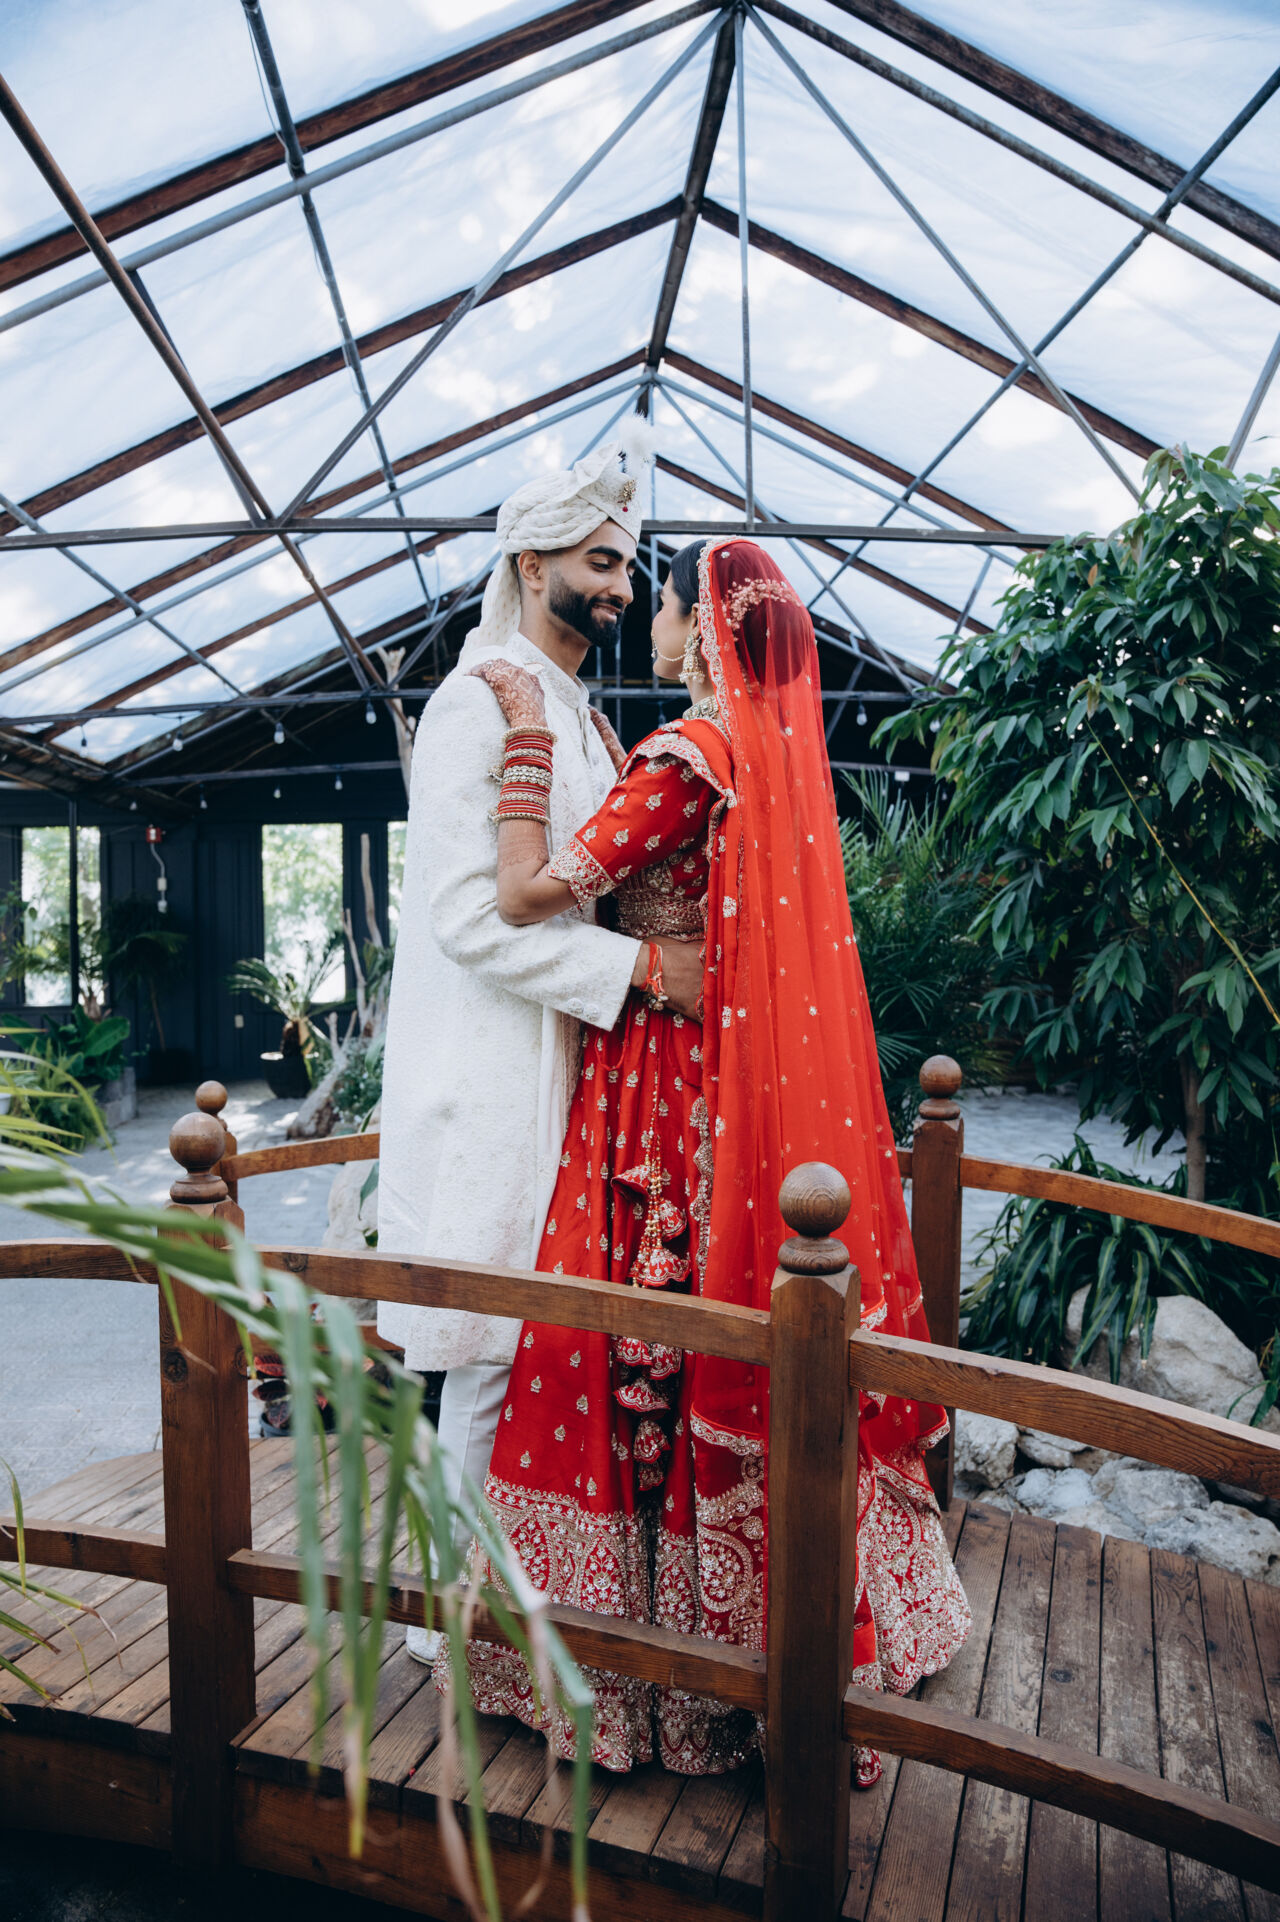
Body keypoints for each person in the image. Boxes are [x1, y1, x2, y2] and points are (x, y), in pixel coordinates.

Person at [460, 536, 971, 1781]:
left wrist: (524, 735)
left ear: (702, 626)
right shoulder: (765, 758)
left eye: (663, 601)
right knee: (717, 1325)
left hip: (653, 1086)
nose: (645, 619)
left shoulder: (686, 755)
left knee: (640, 1330)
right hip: (729, 1079)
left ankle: (656, 1667)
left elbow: (522, 895)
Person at [375, 435, 703, 1664]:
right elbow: (469, 918)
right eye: (598, 561)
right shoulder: (477, 703)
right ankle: (443, 1621)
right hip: (493, 1074)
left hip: (579, 1068)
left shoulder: (577, 711)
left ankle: (521, 1596)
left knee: (536, 1350)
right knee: (486, 1348)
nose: (621, 586)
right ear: (530, 562)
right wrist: (641, 972)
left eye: (626, 565)